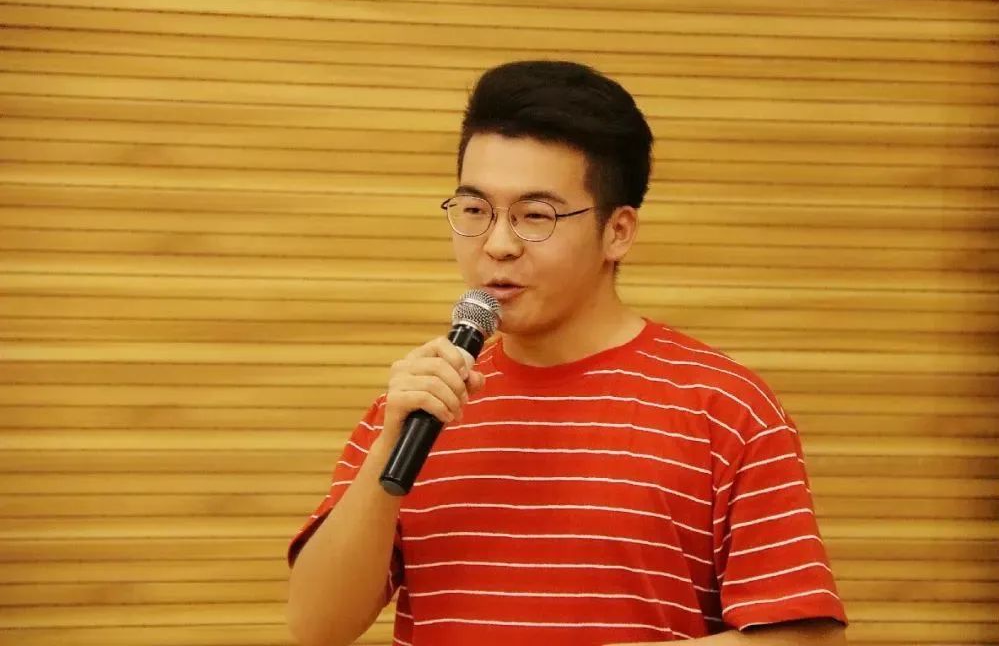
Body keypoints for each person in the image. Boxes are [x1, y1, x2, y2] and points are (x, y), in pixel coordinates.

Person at [286, 61, 848, 646]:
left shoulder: (724, 407)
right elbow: (316, 627)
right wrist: (387, 453)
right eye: (475, 211)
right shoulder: (418, 405)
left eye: (535, 216)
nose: (498, 245)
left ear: (618, 231)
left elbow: (806, 638)